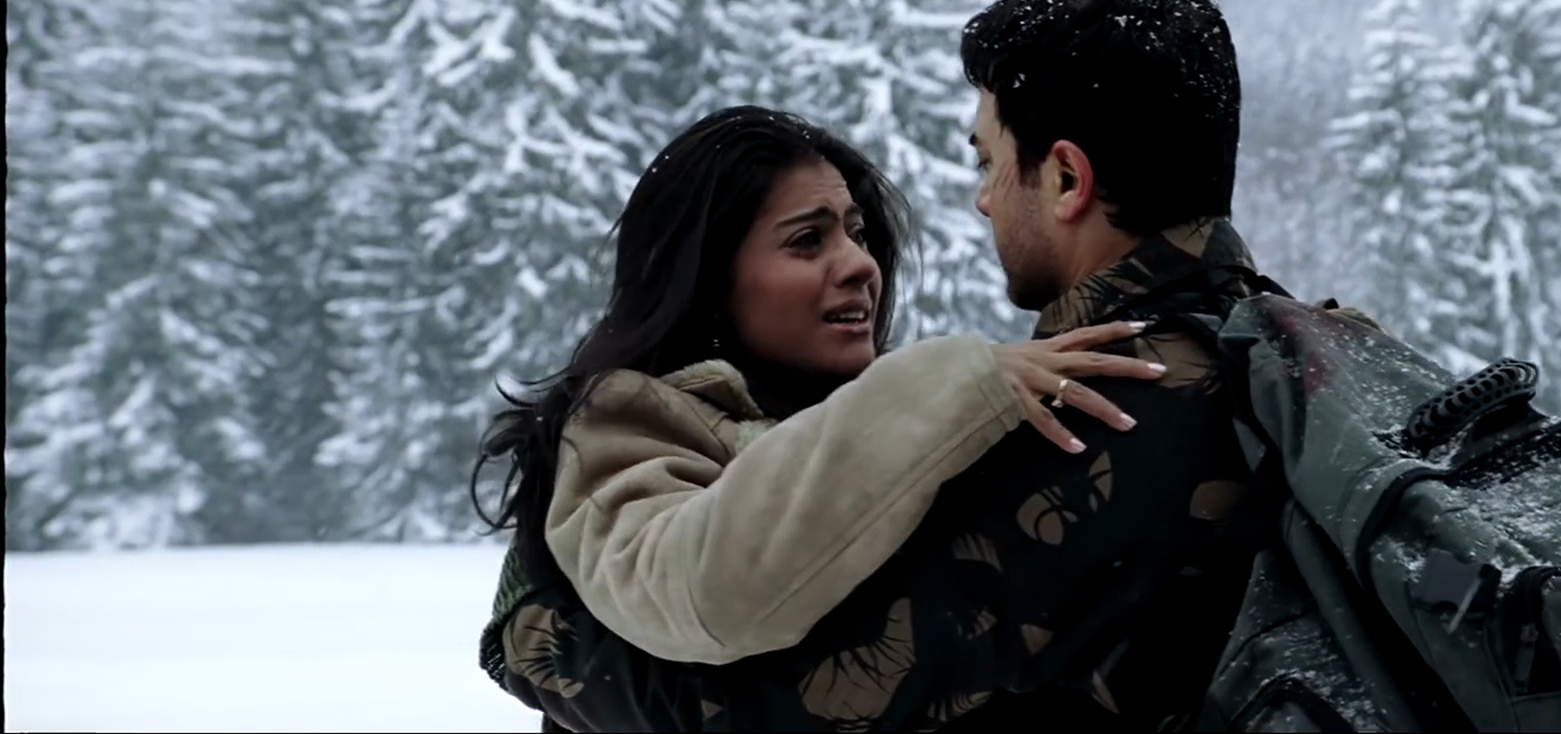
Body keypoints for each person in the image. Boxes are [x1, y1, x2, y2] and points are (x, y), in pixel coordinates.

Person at [482, 0, 1333, 732]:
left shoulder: (1088, 420)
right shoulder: (1301, 365)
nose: (983, 201)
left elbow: (780, 703)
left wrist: (546, 642)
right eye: (808, 240)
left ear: (1067, 179)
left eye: (988, 162)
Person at [472, 104, 1172, 726]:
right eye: (807, 241)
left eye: (857, 234)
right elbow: (702, 598)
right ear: (706, 278)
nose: (860, 265)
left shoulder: (899, 421)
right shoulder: (627, 421)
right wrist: (941, 387)